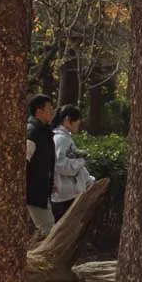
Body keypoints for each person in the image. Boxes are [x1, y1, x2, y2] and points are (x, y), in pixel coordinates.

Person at [51, 104, 93, 221]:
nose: (79, 123)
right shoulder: (61, 139)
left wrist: (88, 181)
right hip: (64, 196)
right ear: (68, 120)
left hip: (68, 194)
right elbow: (60, 165)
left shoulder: (65, 138)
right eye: (77, 120)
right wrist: (81, 161)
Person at [26, 95, 57, 237]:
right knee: (48, 228)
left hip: (41, 191)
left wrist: (51, 182)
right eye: (49, 109)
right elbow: (25, 162)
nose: (52, 111)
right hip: (34, 192)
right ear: (39, 111)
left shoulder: (44, 132)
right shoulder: (32, 132)